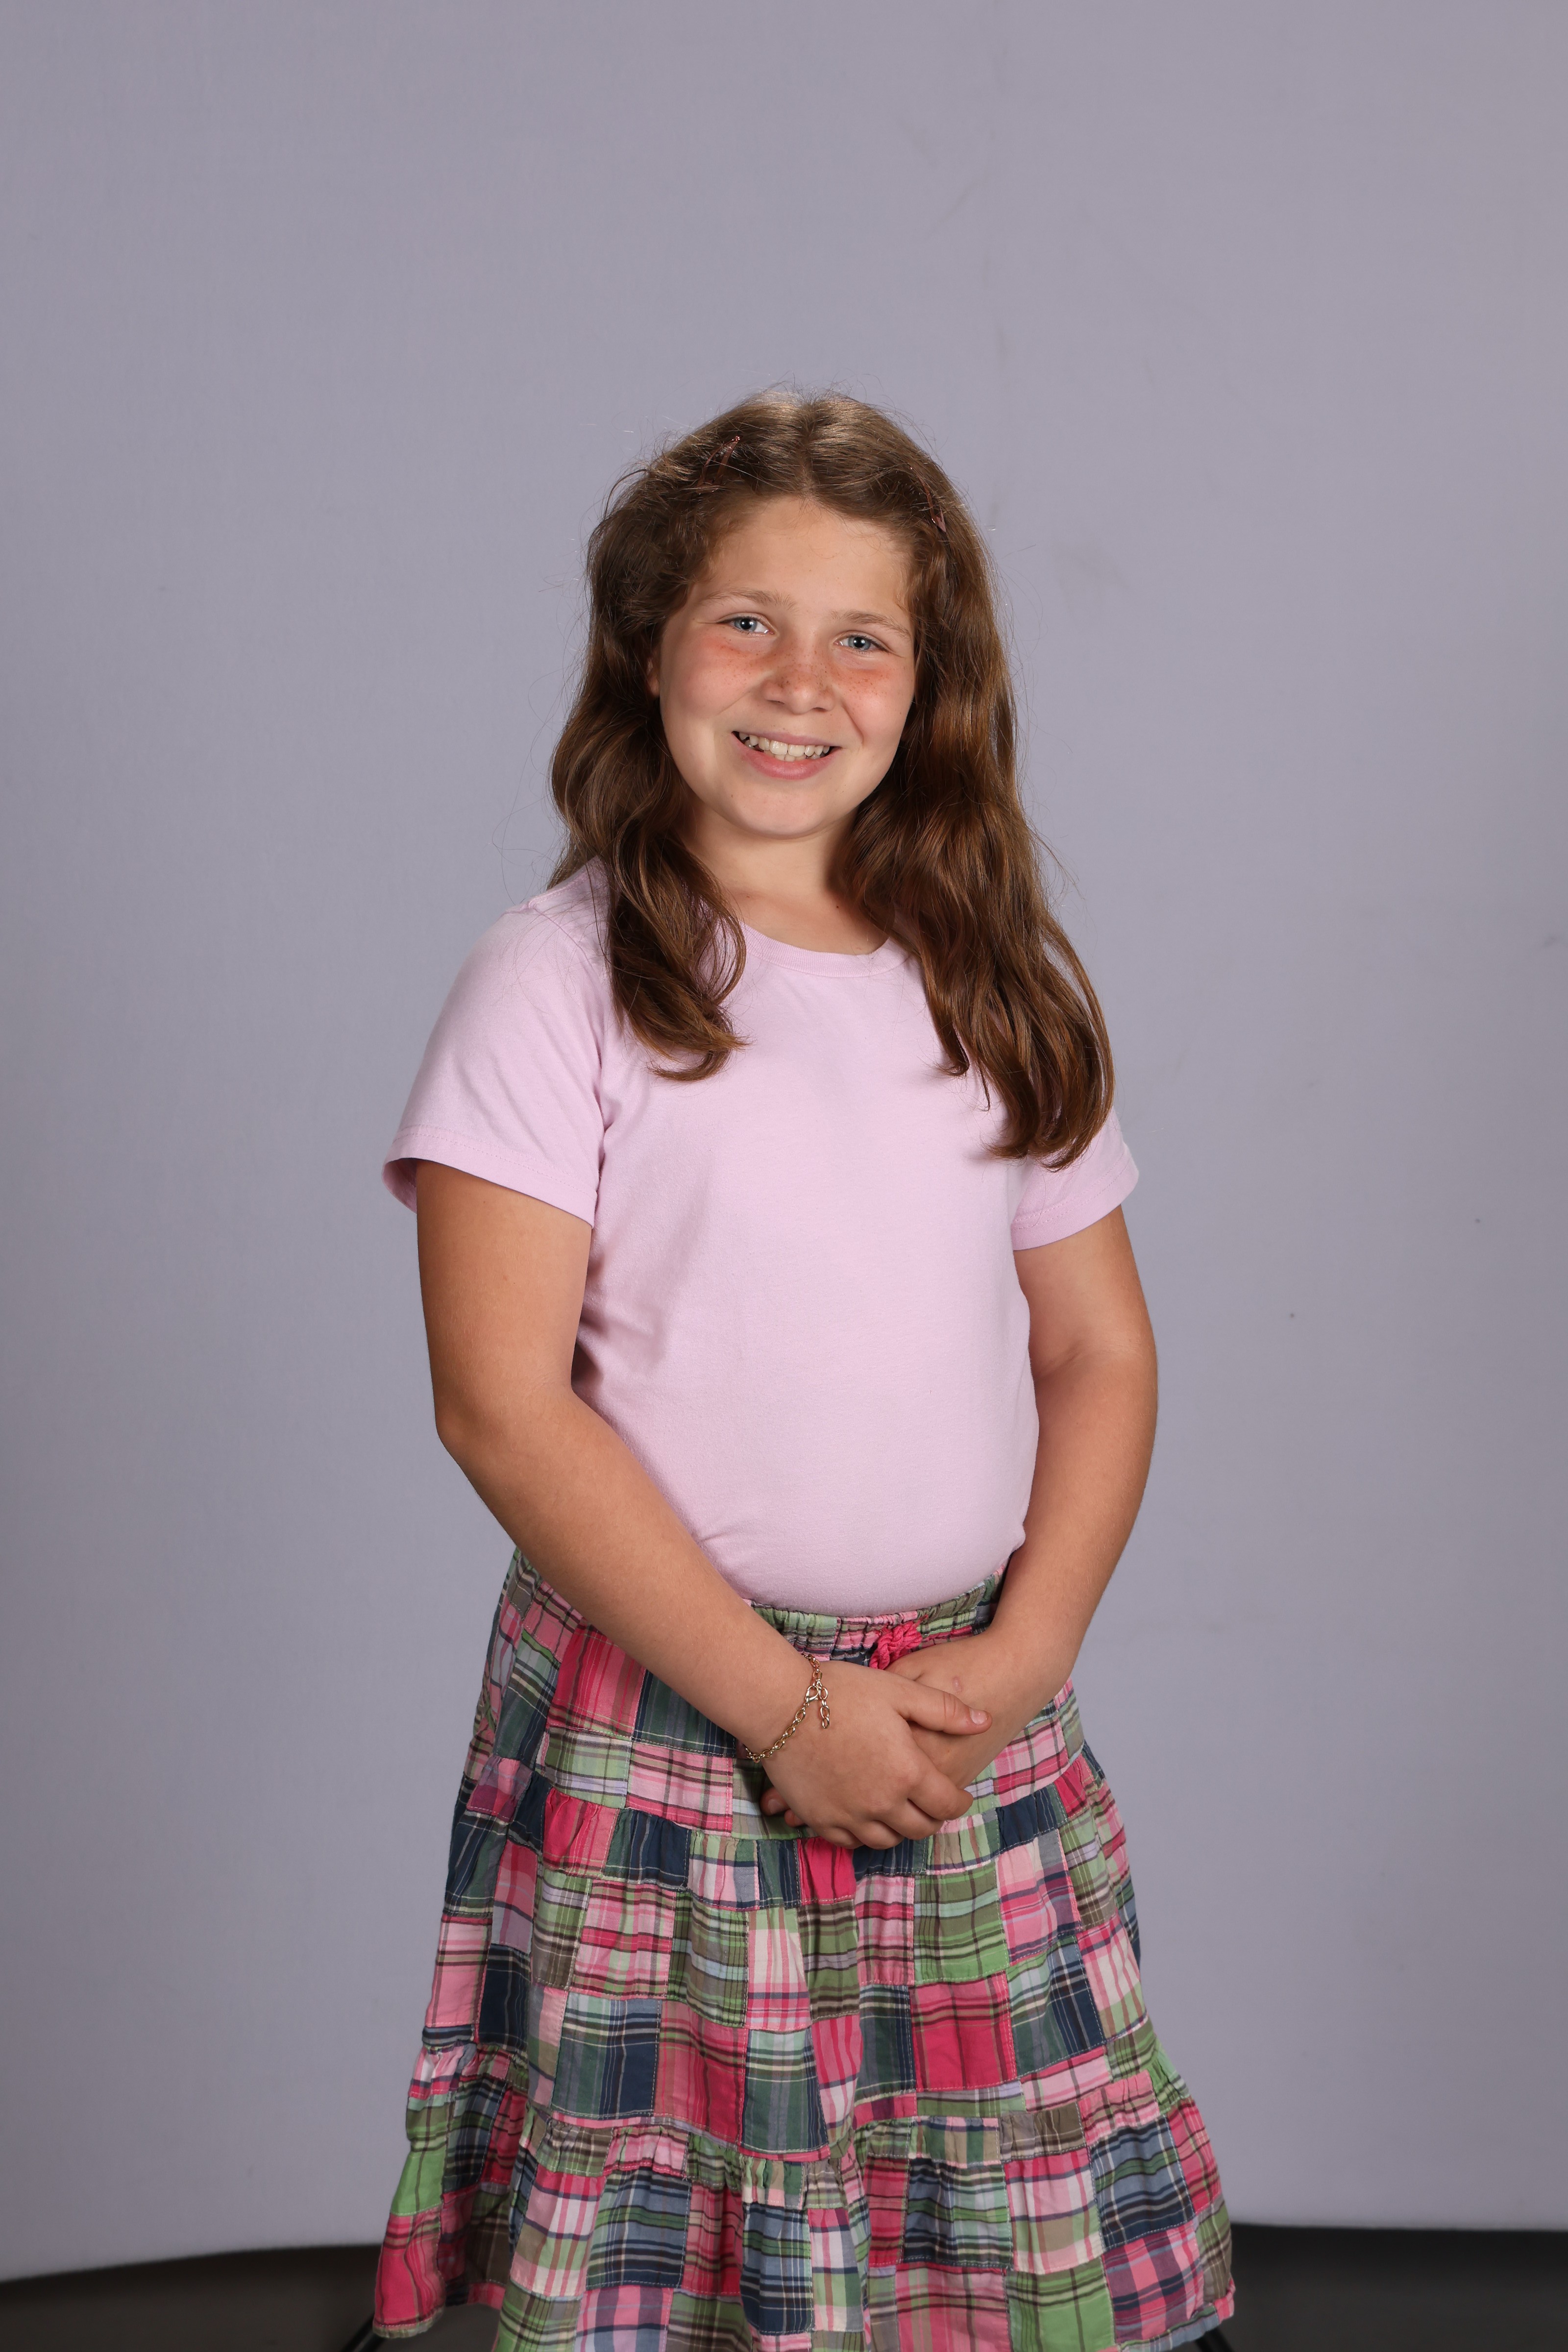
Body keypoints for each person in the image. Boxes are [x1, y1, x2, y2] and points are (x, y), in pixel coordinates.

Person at [370, 392, 1234, 2351]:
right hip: (675, 1713)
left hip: (955, 1716)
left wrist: (1016, 1660)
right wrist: (783, 1709)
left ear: (929, 688)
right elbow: (500, 1402)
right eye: (744, 621)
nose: (799, 683)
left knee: (978, 2234)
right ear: (647, 646)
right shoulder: (560, 980)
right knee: (690, 2234)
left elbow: (1096, 1345)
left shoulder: (991, 977)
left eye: (862, 637)